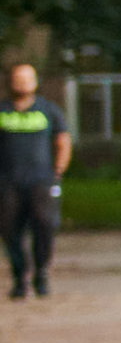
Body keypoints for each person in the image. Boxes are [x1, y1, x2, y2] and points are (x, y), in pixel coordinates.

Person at [2, 62, 72, 299]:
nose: (22, 83)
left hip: (41, 181)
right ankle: (19, 276)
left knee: (44, 226)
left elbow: (62, 141)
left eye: (27, 79)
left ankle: (41, 272)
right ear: (11, 82)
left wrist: (58, 171)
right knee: (10, 231)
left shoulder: (48, 110)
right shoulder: (3, 111)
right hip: (8, 182)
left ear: (35, 82)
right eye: (18, 79)